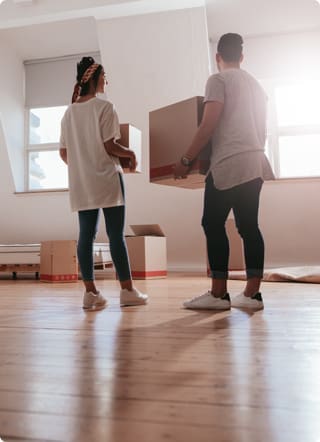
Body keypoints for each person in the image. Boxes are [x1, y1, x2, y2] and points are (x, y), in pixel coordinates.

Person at [174, 33, 274, 310]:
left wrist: (185, 158)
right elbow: (263, 131)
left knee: (212, 223)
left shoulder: (217, 80)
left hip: (228, 162)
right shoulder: (256, 85)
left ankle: (218, 294)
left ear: (217, 57)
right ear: (241, 57)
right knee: (249, 227)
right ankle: (252, 295)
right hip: (255, 162)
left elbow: (208, 125)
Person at [60, 56, 148, 311]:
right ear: (97, 78)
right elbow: (110, 145)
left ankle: (90, 294)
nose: (107, 80)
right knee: (115, 236)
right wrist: (130, 154)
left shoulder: (68, 113)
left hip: (82, 184)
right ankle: (128, 291)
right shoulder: (104, 107)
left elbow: (64, 154)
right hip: (108, 179)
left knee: (85, 236)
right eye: (105, 76)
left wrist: (83, 167)